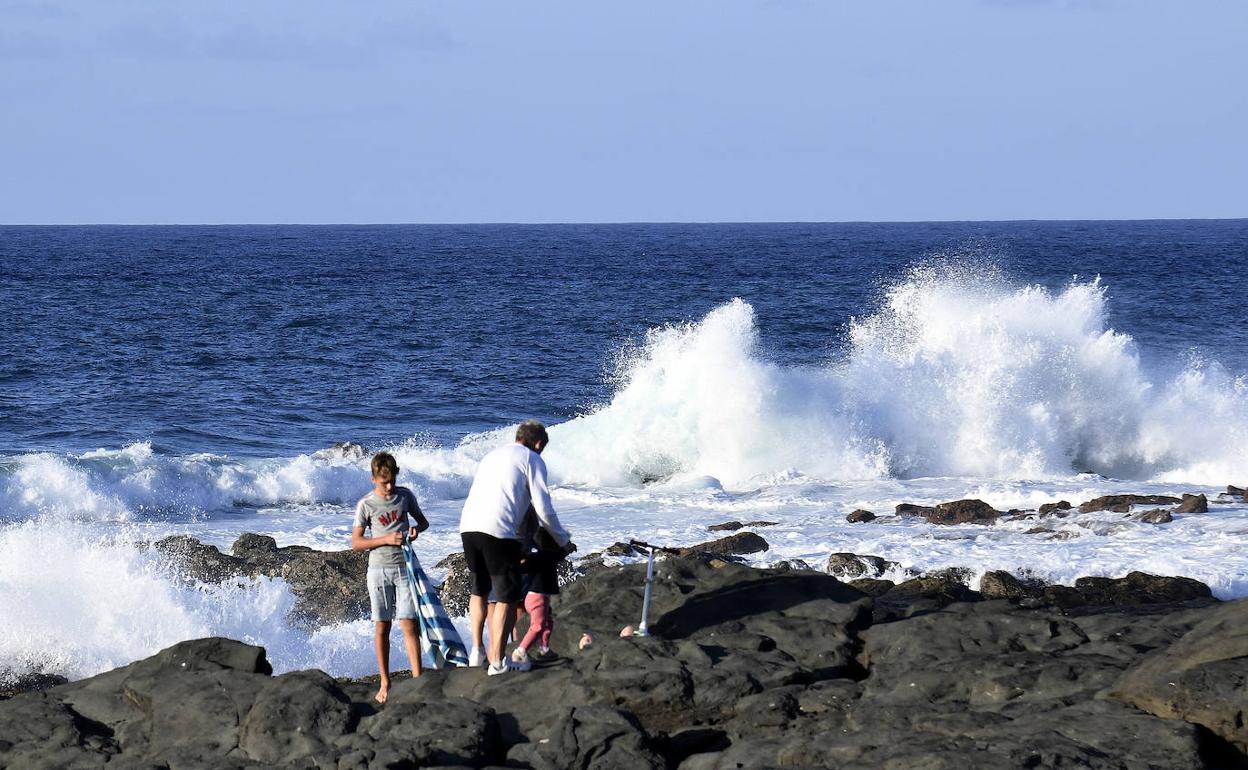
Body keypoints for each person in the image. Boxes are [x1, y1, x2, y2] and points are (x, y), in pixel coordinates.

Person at [459, 420, 574, 675]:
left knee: (479, 590)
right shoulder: (532, 459)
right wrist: (563, 542)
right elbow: (543, 508)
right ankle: (498, 662)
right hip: (498, 532)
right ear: (539, 443)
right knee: (507, 597)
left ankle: (476, 653)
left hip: (468, 526)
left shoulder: (492, 456)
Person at [351, 451, 430, 703]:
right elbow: (356, 542)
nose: (389, 486)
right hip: (378, 570)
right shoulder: (366, 504)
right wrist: (385, 539)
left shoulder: (404, 496)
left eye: (392, 481)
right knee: (382, 626)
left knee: (409, 623)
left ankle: (418, 679)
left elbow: (423, 522)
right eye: (384, 482)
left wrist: (416, 530)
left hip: (404, 567)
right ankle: (385, 681)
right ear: (374, 478)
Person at [511, 523, 570, 665]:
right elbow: (563, 552)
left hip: (532, 597)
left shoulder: (535, 557)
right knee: (537, 625)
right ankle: (520, 651)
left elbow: (522, 568)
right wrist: (568, 543)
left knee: (547, 623)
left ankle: (544, 649)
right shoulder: (549, 555)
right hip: (538, 597)